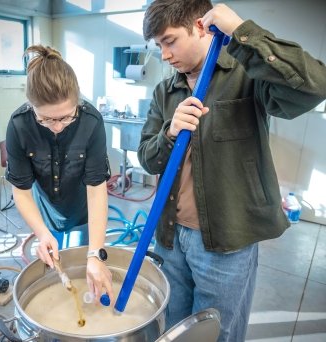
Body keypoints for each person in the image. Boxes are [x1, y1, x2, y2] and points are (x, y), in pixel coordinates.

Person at [138, 1, 326, 341]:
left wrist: (243, 30)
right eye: (158, 45)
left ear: (199, 26)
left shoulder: (248, 76)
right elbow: (147, 158)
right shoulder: (164, 91)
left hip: (225, 241)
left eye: (169, 41)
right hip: (168, 236)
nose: (164, 55)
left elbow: (316, 85)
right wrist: (168, 133)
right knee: (173, 329)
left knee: (217, 333)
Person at [5, 45, 114, 304]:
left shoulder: (91, 122)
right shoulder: (19, 125)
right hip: (44, 210)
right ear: (32, 106)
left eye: (66, 118)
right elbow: (20, 190)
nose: (56, 127)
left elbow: (97, 188)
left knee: (83, 267)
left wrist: (95, 254)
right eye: (46, 120)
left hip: (82, 209)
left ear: (77, 101)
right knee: (53, 274)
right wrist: (42, 233)